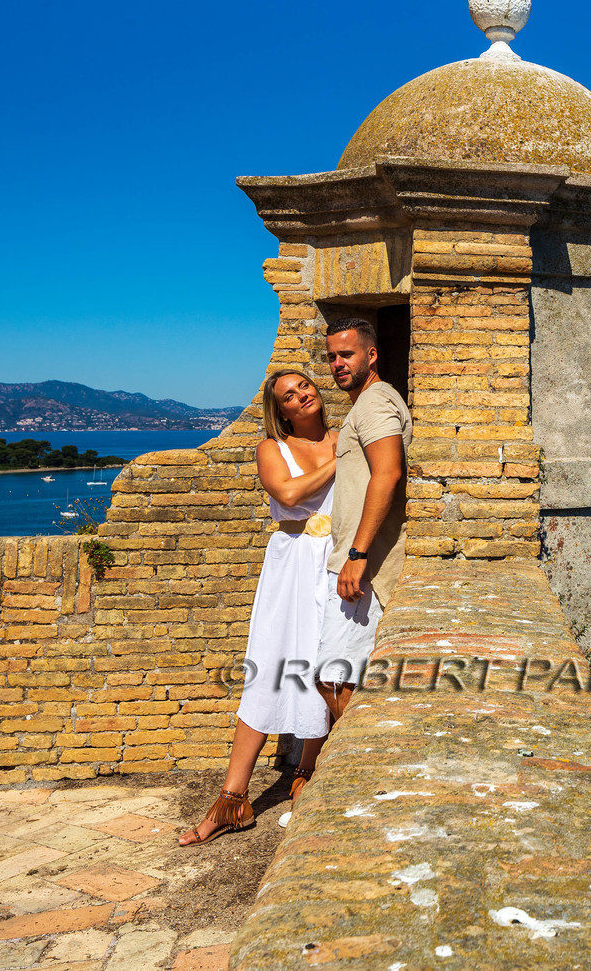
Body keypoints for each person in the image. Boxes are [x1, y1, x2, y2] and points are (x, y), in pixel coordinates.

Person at [178, 369, 337, 846]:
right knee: (269, 669)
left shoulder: (342, 435)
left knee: (325, 667)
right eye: (289, 395)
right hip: (290, 565)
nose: (301, 395)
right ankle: (231, 799)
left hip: (334, 561)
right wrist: (343, 458)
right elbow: (288, 494)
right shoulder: (273, 448)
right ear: (280, 410)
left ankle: (306, 776)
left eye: (305, 386)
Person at [316, 316, 411, 725]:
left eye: (346, 354)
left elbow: (388, 473)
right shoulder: (366, 405)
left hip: (367, 569)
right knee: (340, 676)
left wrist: (357, 554)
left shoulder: (374, 402)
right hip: (361, 564)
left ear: (371, 355)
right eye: (331, 357)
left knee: (333, 679)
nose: (338, 363)